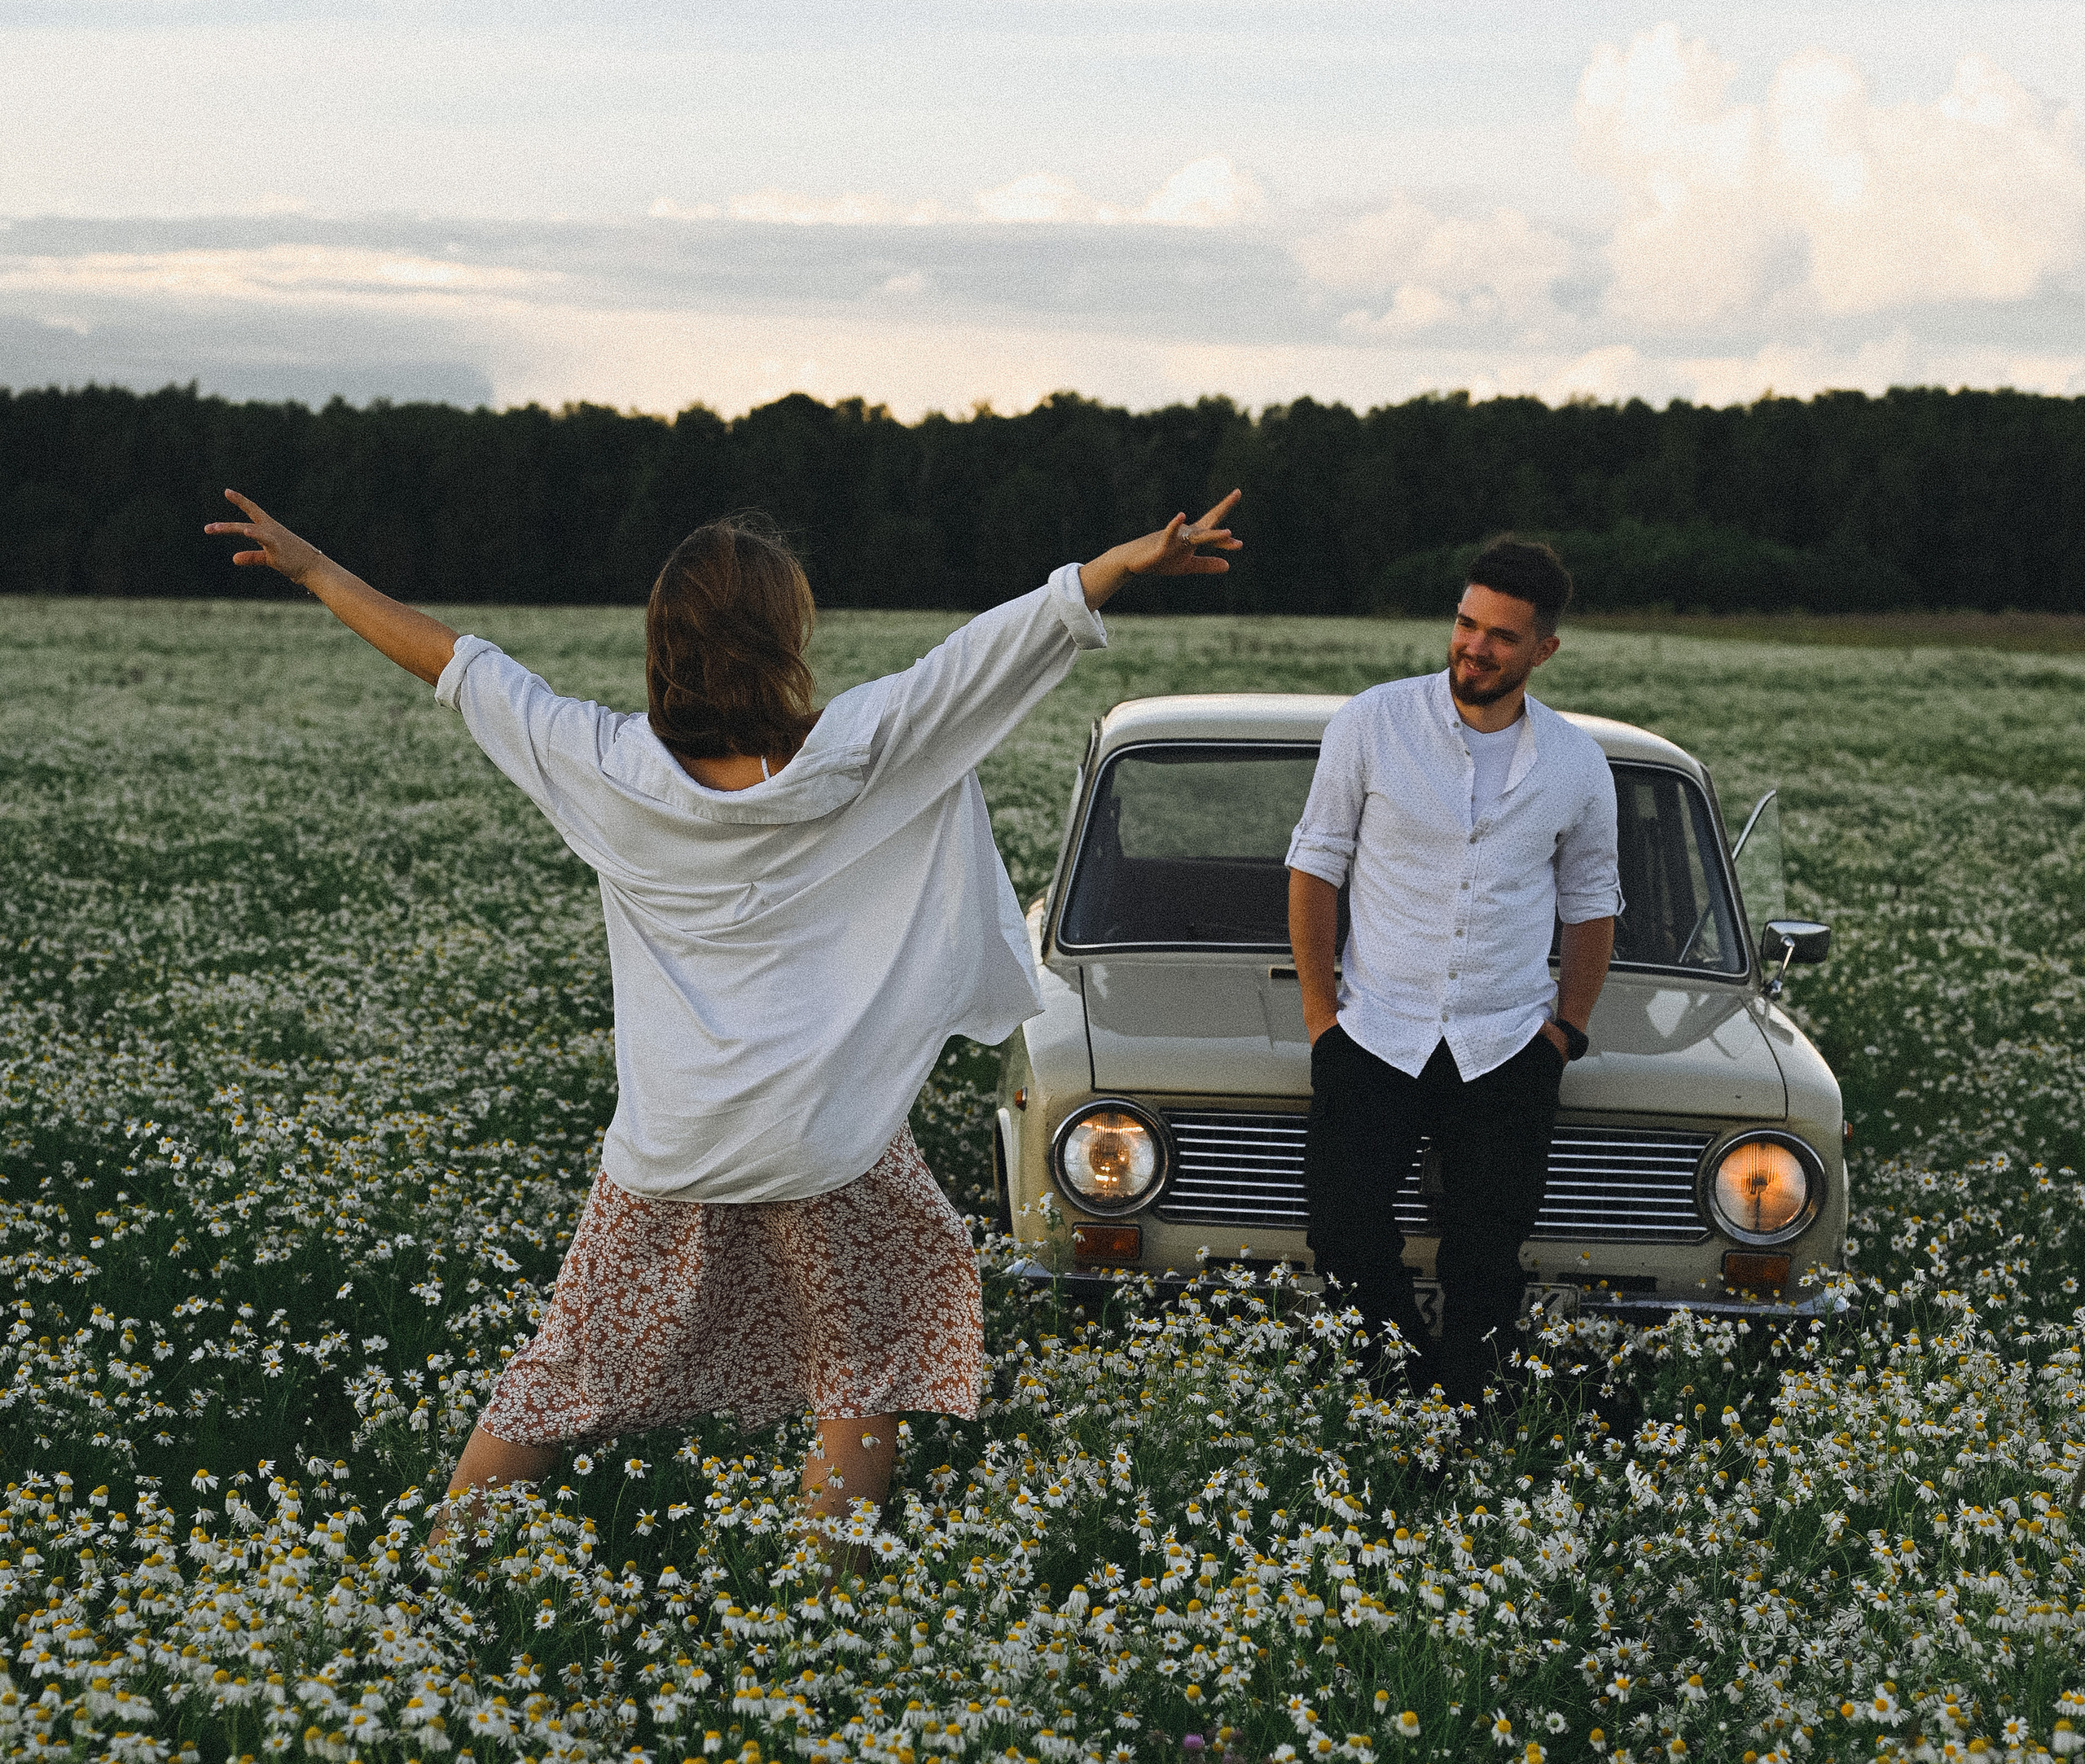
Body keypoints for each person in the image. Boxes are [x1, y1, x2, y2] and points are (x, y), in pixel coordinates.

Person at [207, 485, 1242, 1542]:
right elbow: (995, 652)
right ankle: (825, 1590)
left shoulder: (607, 767)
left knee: (562, 1376)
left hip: (671, 1144)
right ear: (787, 641)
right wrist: (1121, 562)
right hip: (826, 1139)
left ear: (664, 647)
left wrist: (316, 569)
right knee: (867, 1352)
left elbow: (458, 663)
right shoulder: (859, 750)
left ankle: (442, 1560)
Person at [1284, 535, 1618, 1409]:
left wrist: (1565, 1031)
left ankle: (1466, 1420)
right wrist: (1323, 1017)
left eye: (1501, 636)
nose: (1475, 647)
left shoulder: (1577, 763)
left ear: (1543, 650)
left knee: (1485, 1255)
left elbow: (1592, 903)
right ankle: (1406, 1400)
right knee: (1346, 1233)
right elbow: (1315, 866)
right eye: (1466, 624)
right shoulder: (1372, 723)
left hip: (1508, 1042)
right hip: (1373, 1030)